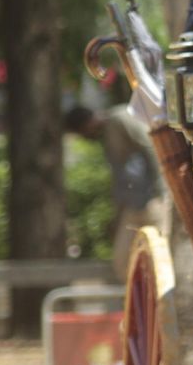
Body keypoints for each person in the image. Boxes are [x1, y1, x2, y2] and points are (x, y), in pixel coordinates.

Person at [64, 105, 171, 283]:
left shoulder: (120, 118)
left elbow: (151, 148)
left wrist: (163, 192)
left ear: (85, 125)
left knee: (161, 258)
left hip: (154, 200)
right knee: (122, 261)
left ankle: (165, 306)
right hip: (132, 205)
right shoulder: (106, 135)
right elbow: (122, 176)